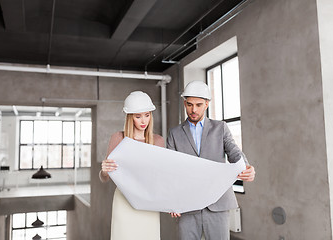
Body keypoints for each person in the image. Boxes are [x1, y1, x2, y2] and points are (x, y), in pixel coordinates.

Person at [167, 81, 255, 240]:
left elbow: (234, 152)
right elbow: (170, 170)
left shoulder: (220, 128)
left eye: (199, 105)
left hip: (218, 202)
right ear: (184, 103)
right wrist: (172, 200)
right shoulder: (174, 133)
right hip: (187, 205)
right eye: (189, 104)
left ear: (207, 104)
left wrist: (246, 166)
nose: (193, 110)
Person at [99, 91, 165, 240]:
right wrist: (104, 171)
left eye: (147, 115)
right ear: (130, 117)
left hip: (149, 202)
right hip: (124, 201)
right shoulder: (118, 138)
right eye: (138, 116)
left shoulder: (158, 141)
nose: (143, 121)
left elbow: (160, 178)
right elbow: (105, 178)